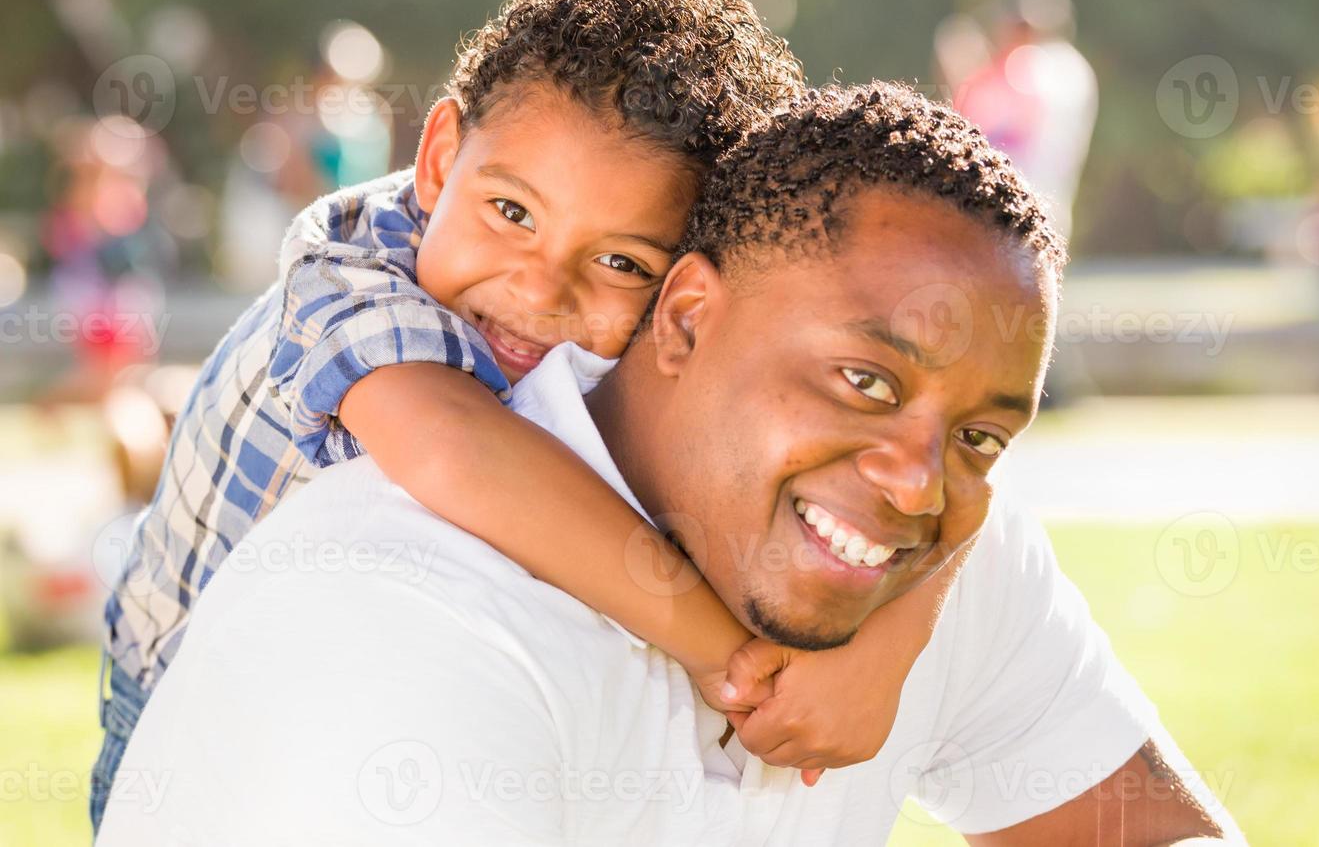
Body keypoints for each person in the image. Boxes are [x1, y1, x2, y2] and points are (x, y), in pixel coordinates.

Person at [98, 83, 1241, 845]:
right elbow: (458, 453)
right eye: (867, 379)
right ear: (685, 319)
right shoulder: (399, 587)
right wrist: (737, 657)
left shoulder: (917, 535)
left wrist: (916, 597)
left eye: (981, 435)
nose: (920, 481)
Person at [92, 0, 966, 831]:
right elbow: (458, 451)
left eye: (621, 262)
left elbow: (952, 471)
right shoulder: (349, 273)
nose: (541, 290)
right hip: (175, 690)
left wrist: (889, 644)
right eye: (511, 213)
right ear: (439, 161)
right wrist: (739, 659)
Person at [952, 0, 1097, 239]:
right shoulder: (1072, 66)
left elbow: (997, 125)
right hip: (1050, 189)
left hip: (1024, 188)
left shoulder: (1041, 66)